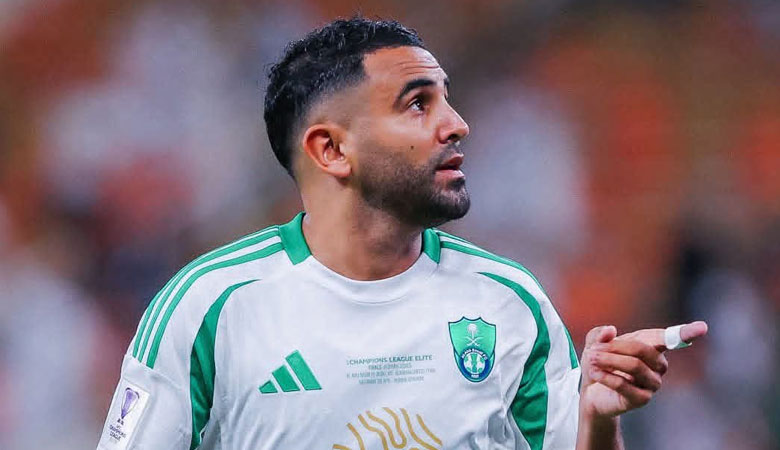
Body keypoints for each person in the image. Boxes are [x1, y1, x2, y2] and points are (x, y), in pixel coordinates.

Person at [97, 17, 707, 450]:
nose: (457, 124)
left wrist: (597, 421)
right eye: (418, 104)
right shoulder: (209, 307)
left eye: (447, 100)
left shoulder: (508, 300)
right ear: (332, 149)